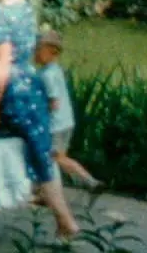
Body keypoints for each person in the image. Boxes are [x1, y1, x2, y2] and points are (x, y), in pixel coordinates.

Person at [0, 0, 79, 242]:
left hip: (8, 90)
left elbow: (0, 65)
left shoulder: (0, 14)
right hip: (30, 86)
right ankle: (65, 219)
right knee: (39, 154)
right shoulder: (24, 6)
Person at [35, 30, 103, 190]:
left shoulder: (48, 75)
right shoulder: (54, 70)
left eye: (38, 48)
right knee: (54, 157)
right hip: (66, 122)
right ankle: (45, 189)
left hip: (56, 124)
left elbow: (53, 103)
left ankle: (90, 181)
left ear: (51, 52)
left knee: (55, 157)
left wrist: (38, 116)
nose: (35, 52)